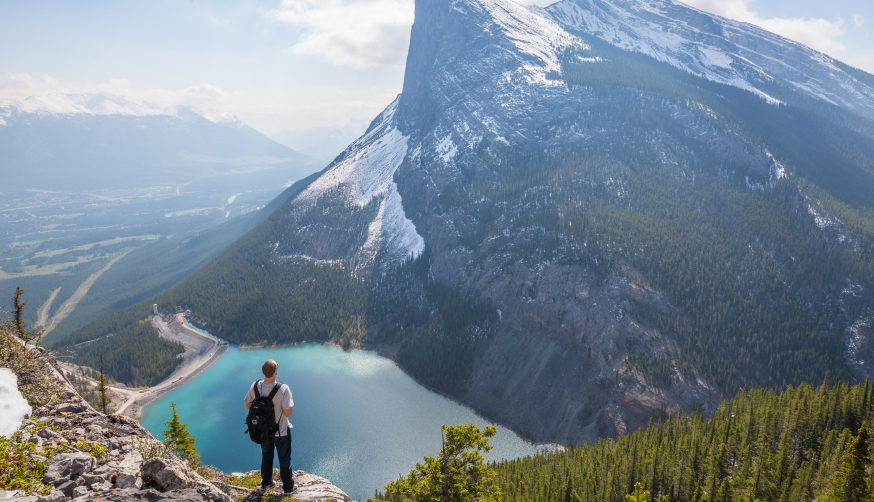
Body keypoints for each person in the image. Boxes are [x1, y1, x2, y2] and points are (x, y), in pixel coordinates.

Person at [244, 359, 295, 494]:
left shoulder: (255, 386)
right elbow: (287, 412)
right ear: (275, 371)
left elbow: (248, 406)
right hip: (281, 432)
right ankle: (288, 488)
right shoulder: (283, 389)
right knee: (284, 459)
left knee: (266, 456)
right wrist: (290, 397)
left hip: (263, 431)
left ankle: (266, 485)